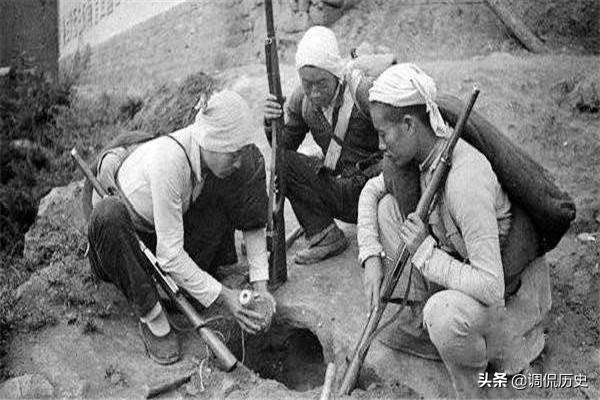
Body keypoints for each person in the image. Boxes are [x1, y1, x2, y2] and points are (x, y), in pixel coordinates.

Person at [358, 64, 550, 398]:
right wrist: (370, 256)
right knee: (388, 209)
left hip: (505, 294)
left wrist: (427, 255)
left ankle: (476, 382)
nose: (379, 145)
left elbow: (491, 286)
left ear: (408, 124)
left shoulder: (465, 181)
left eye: (383, 134)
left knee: (442, 316)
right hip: (463, 270)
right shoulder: (421, 154)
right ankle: (431, 333)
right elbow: (370, 191)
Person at [86, 90, 275, 365]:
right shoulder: (170, 160)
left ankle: (180, 287)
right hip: (127, 240)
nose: (235, 161)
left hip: (169, 226)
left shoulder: (213, 155)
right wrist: (225, 297)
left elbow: (250, 212)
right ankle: (152, 314)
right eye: (231, 154)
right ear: (210, 141)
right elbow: (170, 254)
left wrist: (261, 284)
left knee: (250, 165)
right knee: (109, 216)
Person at [263, 26, 407, 264]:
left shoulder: (361, 92)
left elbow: (399, 143)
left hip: (377, 191)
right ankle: (324, 235)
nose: (314, 91)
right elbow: (284, 147)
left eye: (321, 82)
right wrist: (271, 123)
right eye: (307, 83)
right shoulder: (302, 100)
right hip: (342, 191)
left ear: (336, 74)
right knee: (282, 163)